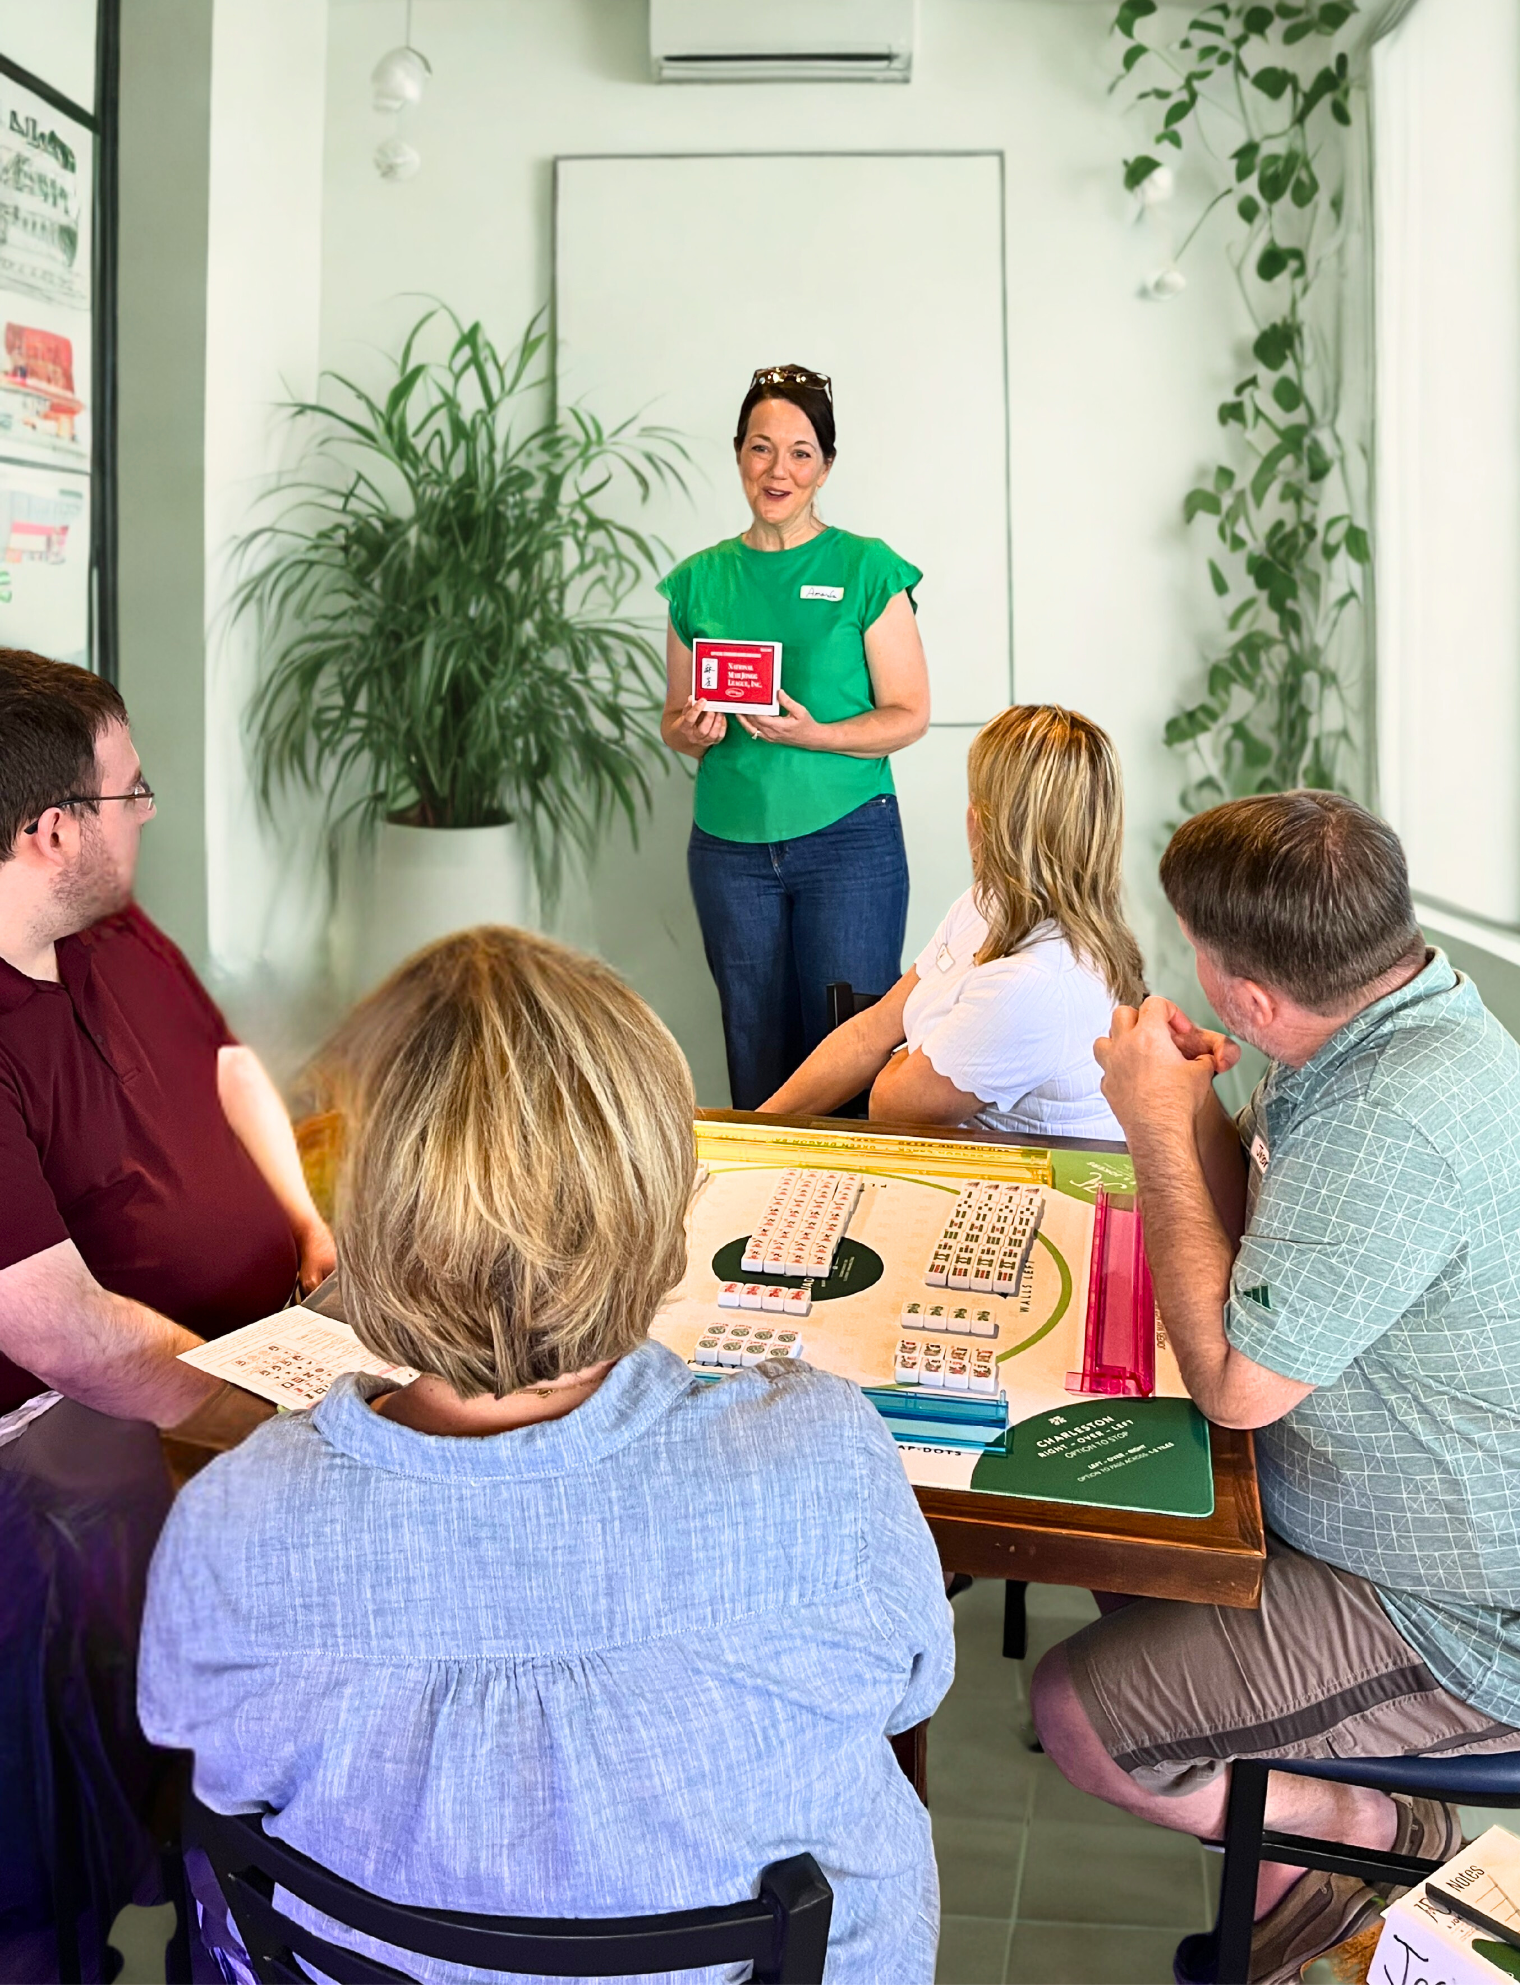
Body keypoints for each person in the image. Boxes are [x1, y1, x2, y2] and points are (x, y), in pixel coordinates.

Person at [139, 926, 953, 1985]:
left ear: (368, 1212)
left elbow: (204, 1749)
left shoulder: (230, 1518)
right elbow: (910, 1686)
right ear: (662, 1199)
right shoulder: (823, 1458)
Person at [1029, 791, 1520, 1985]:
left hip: (1468, 1615)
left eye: (1196, 952)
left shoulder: (1391, 1118)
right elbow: (1259, 1220)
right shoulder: (1392, 1015)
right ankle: (1294, 1844)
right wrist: (1190, 1105)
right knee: (1124, 1538)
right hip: (1386, 1527)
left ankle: (1365, 1835)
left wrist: (1153, 1126)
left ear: (1252, 998)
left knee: (1075, 1717)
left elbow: (1237, 1386)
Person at [0, 648, 334, 1980]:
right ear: (53, 830)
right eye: (129, 794)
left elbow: (232, 1066)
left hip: (249, 1369)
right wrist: (267, 1407)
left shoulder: (107, 922)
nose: (148, 815)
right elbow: (62, 1333)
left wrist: (304, 1221)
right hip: (73, 1450)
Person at [660, 363, 930, 1110]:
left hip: (849, 844)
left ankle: (858, 1212)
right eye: (760, 447)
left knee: (853, 1045)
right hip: (728, 848)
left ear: (826, 465)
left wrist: (815, 735)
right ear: (739, 454)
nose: (778, 469)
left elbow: (908, 713)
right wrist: (692, 730)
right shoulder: (697, 582)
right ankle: (768, 1221)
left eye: (801, 451)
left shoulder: (866, 567)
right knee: (754, 1052)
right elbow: (676, 723)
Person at [760, 704, 1144, 1137]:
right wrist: (750, 1128)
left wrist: (913, 1045)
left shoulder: (1034, 981)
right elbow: (872, 1032)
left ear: (984, 821)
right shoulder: (989, 903)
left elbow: (889, 1105)